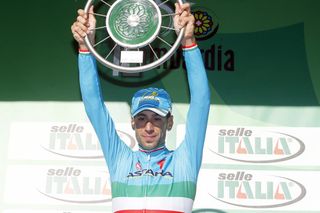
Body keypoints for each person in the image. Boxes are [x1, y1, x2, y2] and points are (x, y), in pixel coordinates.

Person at [71, 1, 210, 212]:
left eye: (157, 118)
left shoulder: (184, 161)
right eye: (142, 119)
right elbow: (93, 105)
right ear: (133, 123)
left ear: (169, 122)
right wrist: (85, 46)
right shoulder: (120, 158)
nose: (148, 127)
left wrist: (188, 41)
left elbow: (201, 101)